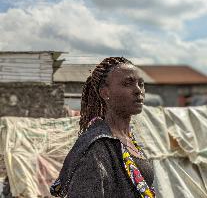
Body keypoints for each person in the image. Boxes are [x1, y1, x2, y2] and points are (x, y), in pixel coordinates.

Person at [50, 57, 156, 198]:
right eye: (127, 83)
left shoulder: (127, 139)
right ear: (105, 93)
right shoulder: (97, 148)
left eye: (141, 84)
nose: (138, 90)